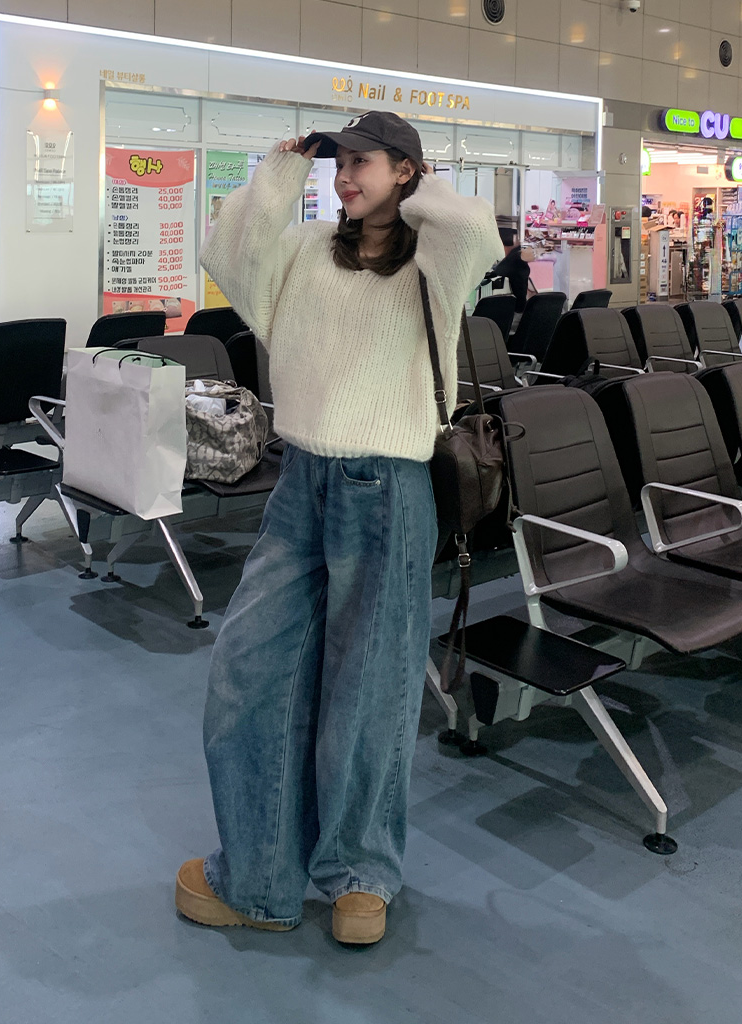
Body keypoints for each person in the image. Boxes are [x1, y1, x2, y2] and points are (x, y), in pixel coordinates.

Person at [174, 110, 501, 945]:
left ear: (406, 171)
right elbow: (227, 254)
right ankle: (258, 875)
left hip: (388, 487)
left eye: (363, 162)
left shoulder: (435, 263)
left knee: (371, 692)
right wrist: (283, 171)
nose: (344, 176)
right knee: (249, 674)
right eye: (339, 163)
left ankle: (360, 875)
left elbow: (476, 230)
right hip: (301, 481)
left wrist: (413, 191)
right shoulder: (305, 249)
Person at [485, 226, 532, 317]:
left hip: (518, 312)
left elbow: (498, 271)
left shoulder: (514, 259)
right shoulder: (517, 255)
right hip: (521, 308)